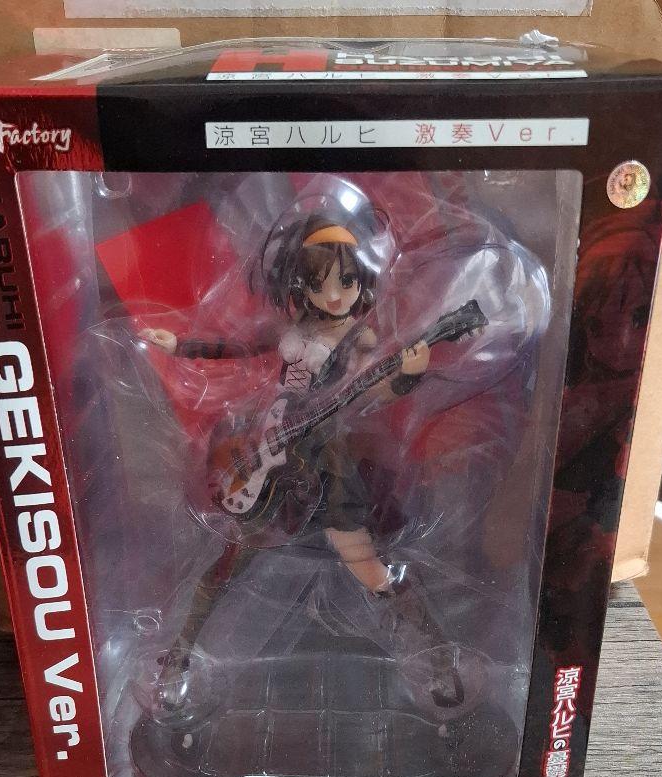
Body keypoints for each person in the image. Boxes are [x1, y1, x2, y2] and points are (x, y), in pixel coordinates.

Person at [139, 206, 469, 712]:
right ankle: (179, 657)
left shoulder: (359, 340)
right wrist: (181, 344)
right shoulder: (292, 331)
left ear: (362, 281)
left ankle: (438, 659)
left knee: (367, 565)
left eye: (346, 281)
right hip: (271, 452)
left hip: (326, 460)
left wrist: (409, 375)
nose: (334, 295)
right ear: (299, 284)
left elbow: (373, 395)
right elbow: (239, 346)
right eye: (319, 284)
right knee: (227, 560)